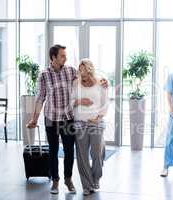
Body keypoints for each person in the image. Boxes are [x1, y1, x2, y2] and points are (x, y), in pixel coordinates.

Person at [26, 45, 108, 194]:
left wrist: (103, 81)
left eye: (65, 55)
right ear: (53, 58)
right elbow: (40, 98)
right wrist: (34, 119)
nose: (66, 58)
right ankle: (55, 181)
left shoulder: (70, 71)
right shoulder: (44, 75)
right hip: (51, 118)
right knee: (53, 150)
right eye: (62, 56)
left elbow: (87, 77)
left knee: (69, 150)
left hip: (67, 119)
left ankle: (68, 179)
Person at [71, 58, 109, 196]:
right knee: (82, 156)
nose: (82, 74)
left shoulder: (100, 84)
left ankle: (96, 178)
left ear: (90, 70)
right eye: (80, 71)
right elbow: (69, 103)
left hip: (96, 122)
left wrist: (98, 117)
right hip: (80, 122)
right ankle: (87, 185)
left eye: (85, 71)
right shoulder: (76, 83)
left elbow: (105, 103)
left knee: (97, 154)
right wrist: (80, 101)